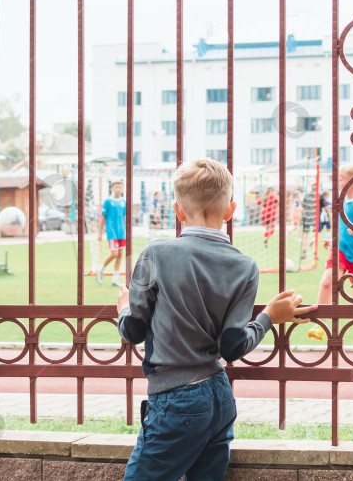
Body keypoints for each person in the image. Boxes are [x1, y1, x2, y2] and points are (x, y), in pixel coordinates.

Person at [117, 158, 316, 480]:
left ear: (178, 211)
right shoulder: (245, 266)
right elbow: (233, 344)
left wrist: (123, 306)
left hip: (175, 399)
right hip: (219, 396)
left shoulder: (156, 254)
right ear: (231, 210)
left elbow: (133, 330)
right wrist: (268, 317)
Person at [308, 164, 353, 345]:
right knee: (327, 282)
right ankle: (320, 324)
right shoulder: (338, 201)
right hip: (340, 251)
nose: (337, 182)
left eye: (340, 179)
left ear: (351, 181)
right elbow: (340, 229)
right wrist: (332, 241)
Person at [97, 180, 127, 286]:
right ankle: (101, 269)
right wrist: (100, 233)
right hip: (112, 231)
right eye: (116, 187)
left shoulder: (124, 202)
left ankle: (115, 279)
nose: (118, 189)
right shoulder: (108, 202)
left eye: (120, 187)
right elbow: (102, 218)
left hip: (121, 232)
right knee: (114, 254)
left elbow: (124, 217)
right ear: (112, 188)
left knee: (120, 255)